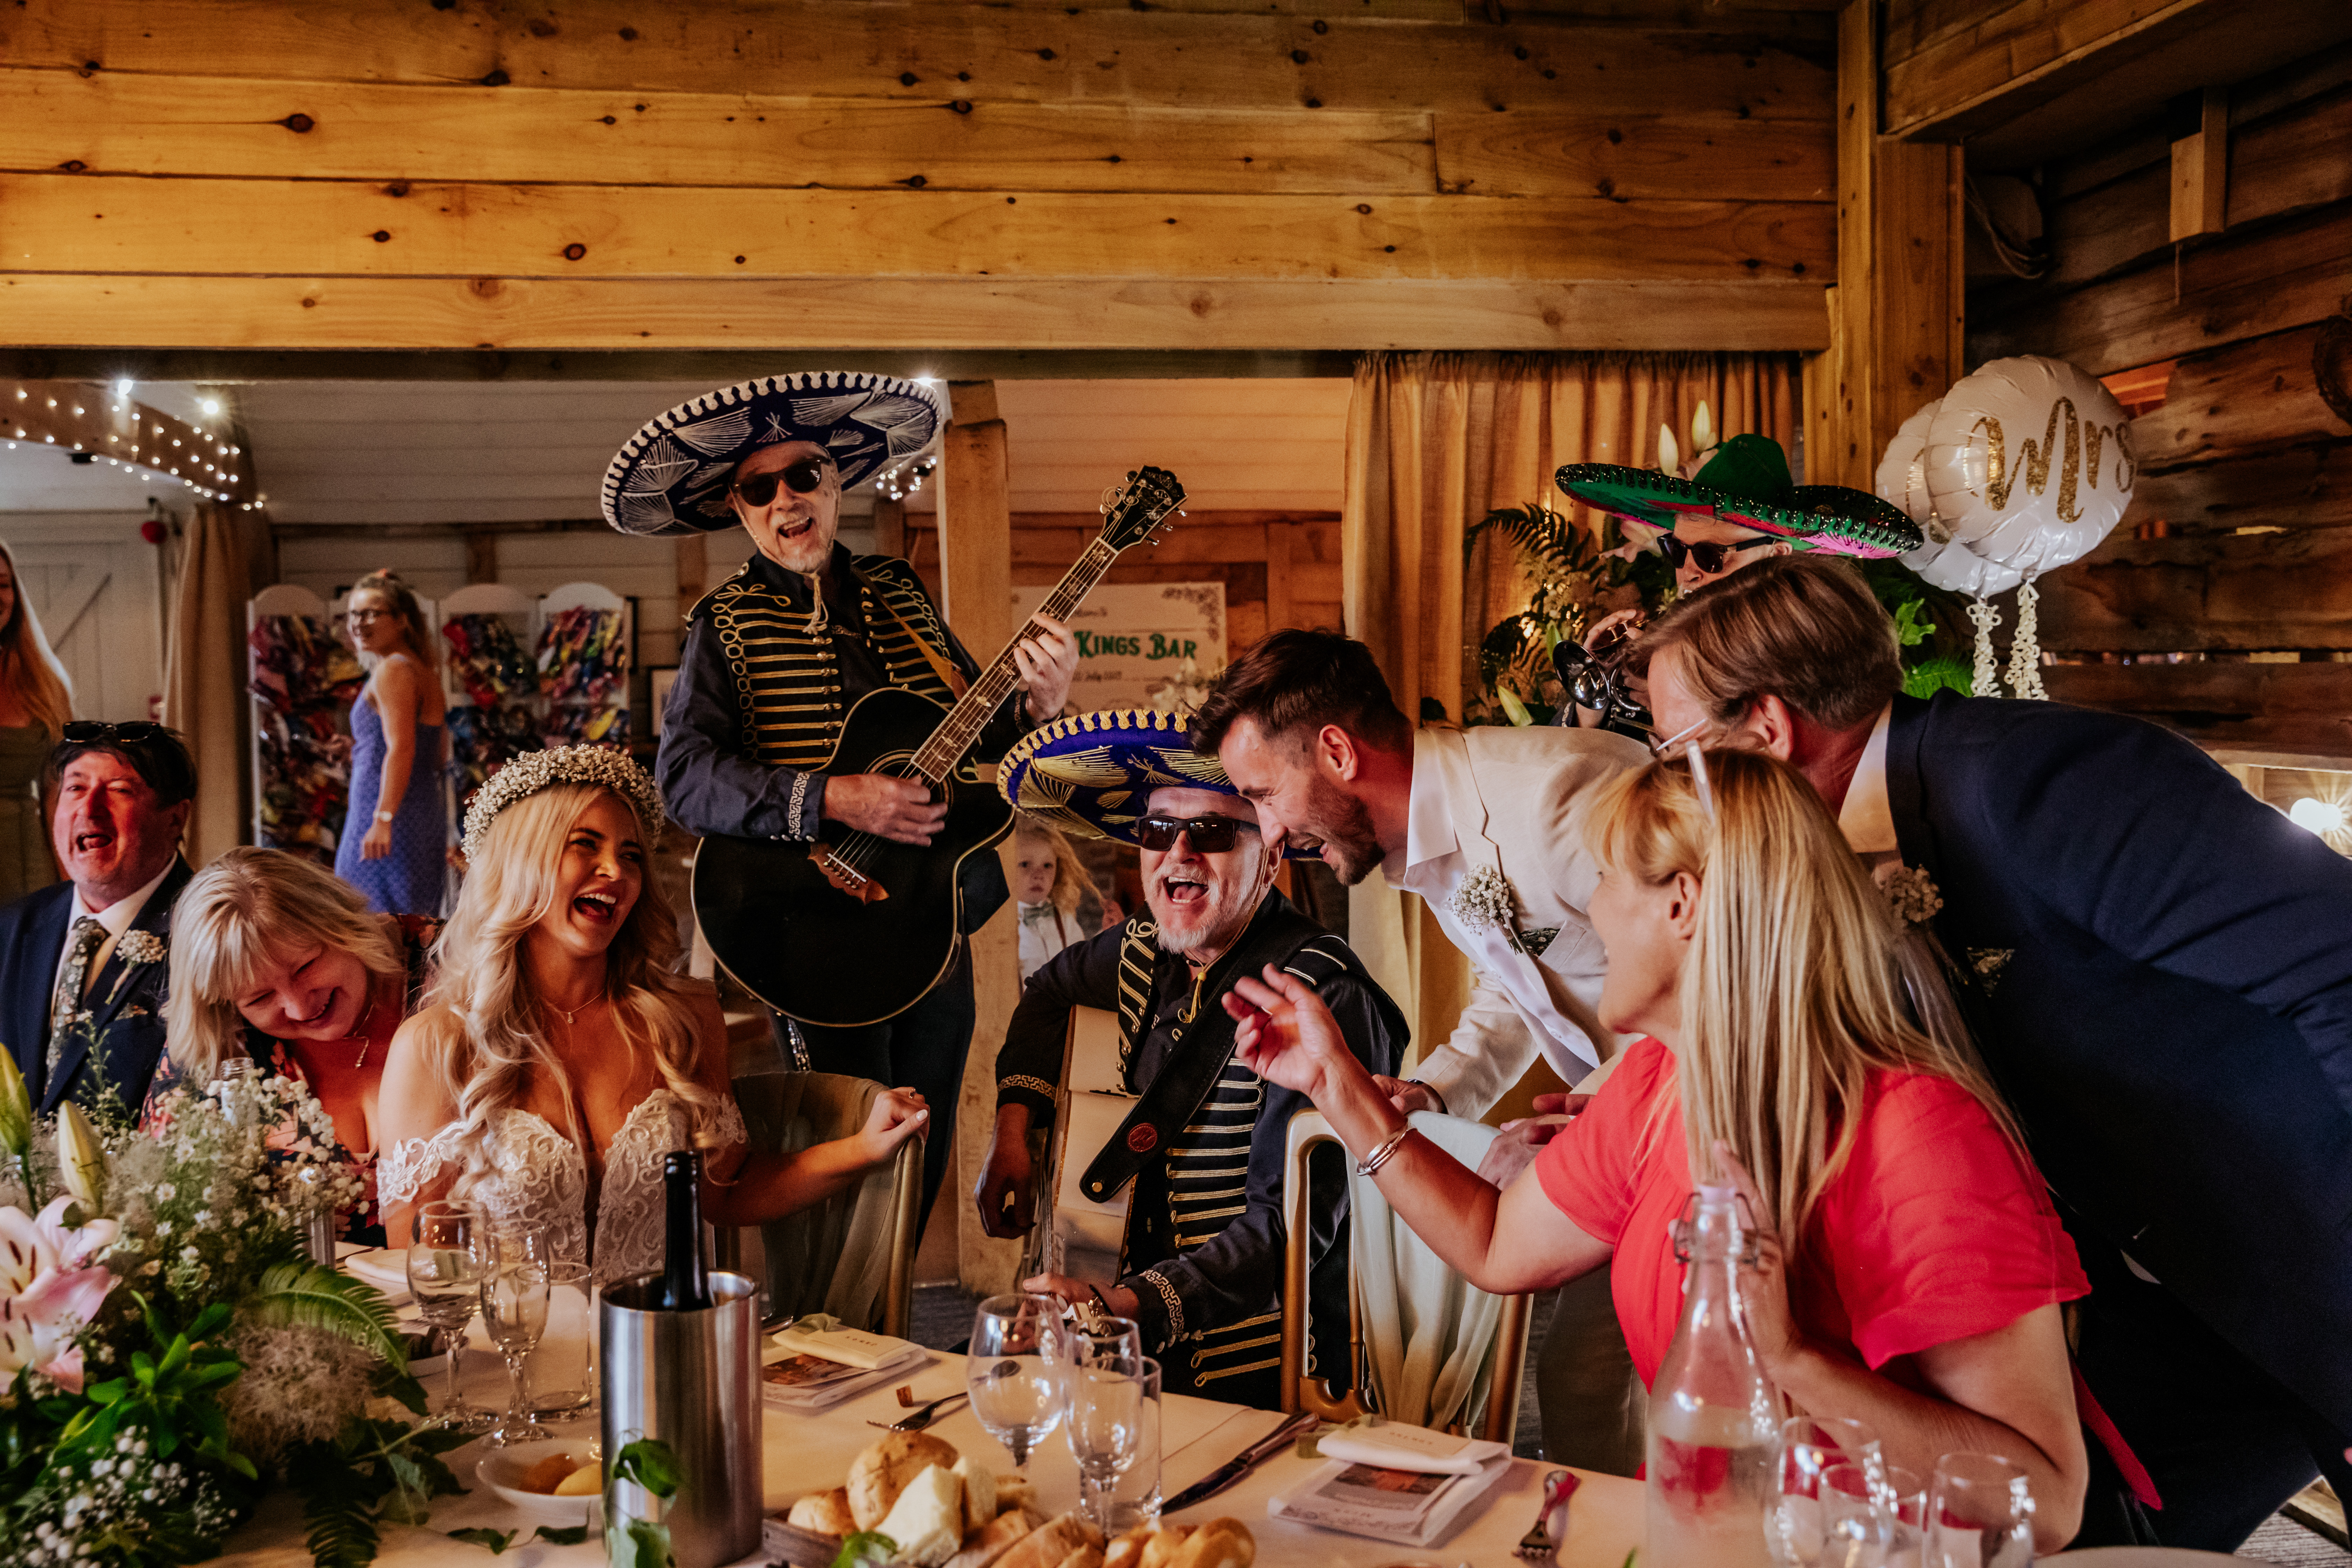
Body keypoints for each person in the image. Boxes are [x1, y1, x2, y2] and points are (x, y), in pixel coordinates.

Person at [1632, 555, 2352, 1551]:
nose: (1668, 780)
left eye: (1671, 745)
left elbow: (2337, 959)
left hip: (2312, 1250)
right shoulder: (1838, 858)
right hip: (2169, 1299)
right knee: (2073, 1533)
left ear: (1763, 726)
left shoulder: (2031, 781)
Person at [1224, 749, 2096, 1553]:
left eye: (1605, 877)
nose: (1591, 906)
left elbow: (2047, 1499)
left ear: (1679, 901)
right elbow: (1494, 1242)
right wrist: (1335, 1084)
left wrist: (1789, 1358)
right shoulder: (1656, 1081)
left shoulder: (1912, 1126)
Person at [1191, 628, 1650, 1471]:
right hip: (1630, 1123)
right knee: (1582, 1378)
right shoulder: (1427, 839)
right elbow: (1515, 990)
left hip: (1724, 1116)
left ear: (1334, 749)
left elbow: (1715, 988)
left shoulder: (1554, 797)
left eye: (1263, 792)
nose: (1270, 831)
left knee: (1633, 1382)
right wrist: (1428, 1093)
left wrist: (1592, 1124)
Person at [624, 372, 1077, 1226]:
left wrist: (1034, 703)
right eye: (760, 487)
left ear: (836, 485)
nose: (786, 498)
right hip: (809, 926)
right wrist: (832, 798)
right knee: (840, 1153)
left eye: (804, 474)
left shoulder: (902, 595)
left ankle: (897, 1339)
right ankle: (827, 1342)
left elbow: (967, 726)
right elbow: (682, 775)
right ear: (739, 507)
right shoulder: (720, 622)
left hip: (927, 920)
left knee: (921, 1148)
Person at [975, 710, 1408, 1407]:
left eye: (1208, 831)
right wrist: (1013, 1130)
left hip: (1269, 1363)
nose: (1177, 852)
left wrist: (1130, 1305)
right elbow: (1048, 993)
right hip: (1126, 1329)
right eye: (1154, 830)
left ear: (1269, 856)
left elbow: (1289, 1226)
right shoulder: (1143, 946)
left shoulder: (1321, 994)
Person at [377, 746, 928, 1283]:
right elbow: (418, 1258)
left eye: (632, 854)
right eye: (584, 845)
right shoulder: (435, 1043)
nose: (615, 870)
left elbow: (727, 1189)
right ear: (520, 861)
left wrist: (861, 1145)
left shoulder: (682, 1017)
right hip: (510, 1358)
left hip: (657, 1352)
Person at [153, 848, 441, 1245]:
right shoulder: (218, 1042)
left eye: (305, 967)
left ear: (341, 924)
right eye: (259, 999)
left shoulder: (453, 965)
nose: (299, 1006)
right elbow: (165, 1209)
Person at [1556, 434, 1922, 730]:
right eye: (1675, 549)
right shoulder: (1671, 641)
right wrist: (1596, 700)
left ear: (1776, 555)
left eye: (1710, 555)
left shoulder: (1814, 641)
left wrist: (1677, 702)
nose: (1688, 570)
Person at [0, 722, 194, 1115]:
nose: (89, 809)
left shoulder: (211, 932)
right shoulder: (13, 927)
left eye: (120, 790)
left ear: (175, 819)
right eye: (75, 788)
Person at [333, 569, 448, 917]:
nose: (359, 623)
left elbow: (402, 749)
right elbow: (436, 754)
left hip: (386, 817)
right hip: (415, 810)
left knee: (369, 922)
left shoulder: (393, 670)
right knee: (408, 925)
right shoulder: (422, 669)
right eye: (354, 613)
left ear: (401, 621)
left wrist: (383, 818)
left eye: (371, 613)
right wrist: (358, 751)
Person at [0, 539, 74, 904]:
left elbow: (57, 791)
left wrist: (71, 886)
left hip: (30, 856)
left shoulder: (43, 682)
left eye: (2, 584)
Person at [1010, 814, 1096, 983]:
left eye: (1047, 866)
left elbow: (1082, 963)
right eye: (1025, 864)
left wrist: (1106, 935)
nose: (1038, 876)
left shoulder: (1064, 919)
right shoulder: (1002, 923)